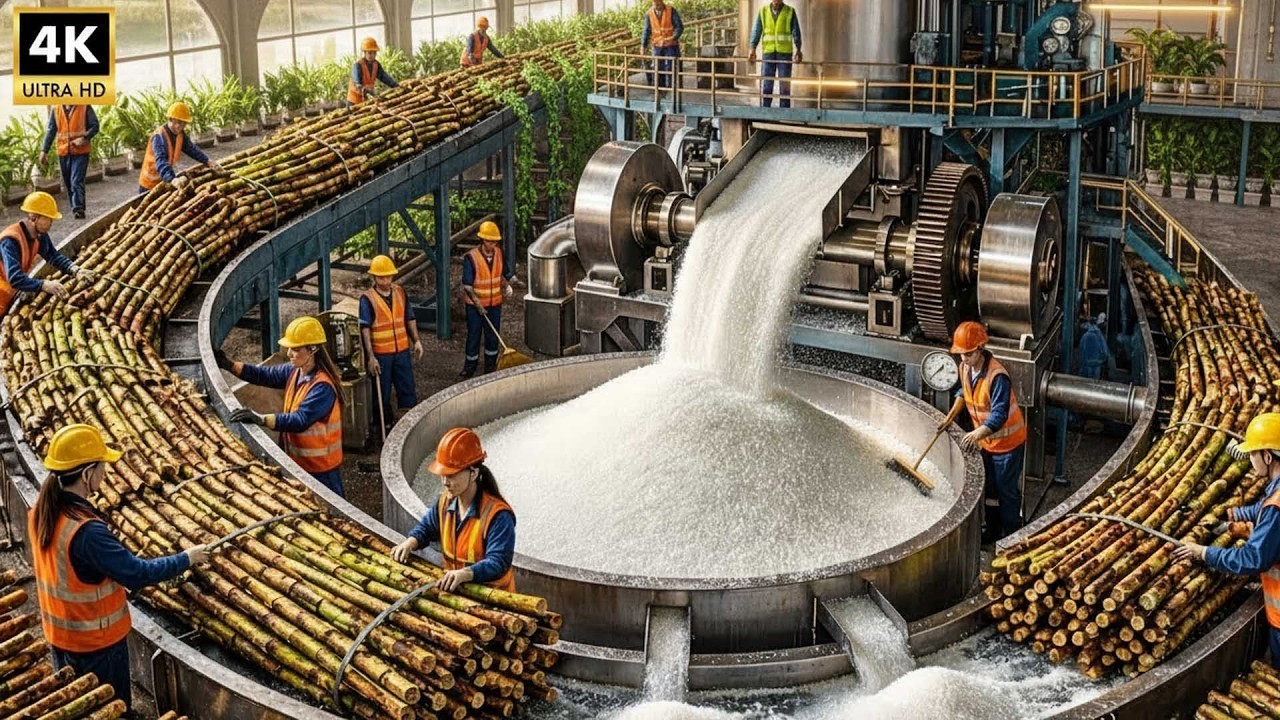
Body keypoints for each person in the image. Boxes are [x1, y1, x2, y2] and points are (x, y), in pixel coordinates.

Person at [29, 424, 208, 711]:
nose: (105, 473)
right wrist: (187, 558)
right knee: (110, 709)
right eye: (102, 467)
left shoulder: (41, 511)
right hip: (96, 647)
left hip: (60, 638)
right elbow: (138, 573)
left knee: (77, 707)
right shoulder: (86, 532)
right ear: (88, 474)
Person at [1174, 412, 1280, 669]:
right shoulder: (1275, 496)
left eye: (1252, 455)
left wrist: (1203, 553)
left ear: (1267, 456)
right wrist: (1229, 518)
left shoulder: (1276, 508)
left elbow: (1252, 558)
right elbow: (1262, 508)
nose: (1250, 461)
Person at [218, 316, 346, 496]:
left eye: (295, 349)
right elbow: (264, 375)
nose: (289, 354)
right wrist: (229, 365)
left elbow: (300, 420)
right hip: (299, 464)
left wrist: (261, 419)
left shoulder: (322, 387)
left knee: (334, 513)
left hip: (321, 469)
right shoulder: (295, 371)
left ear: (313, 349)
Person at [390, 427, 516, 591]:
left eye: (451, 475)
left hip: (494, 601)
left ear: (474, 473)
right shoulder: (445, 502)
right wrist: (410, 543)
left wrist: (466, 573)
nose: (444, 482)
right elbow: (428, 527)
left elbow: (498, 561)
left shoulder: (498, 515)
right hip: (457, 593)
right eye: (442, 475)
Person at [943, 321, 1027, 541]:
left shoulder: (997, 376)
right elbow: (964, 391)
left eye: (968, 354)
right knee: (990, 492)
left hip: (1008, 446)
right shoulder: (965, 367)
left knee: (1006, 492)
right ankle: (992, 531)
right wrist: (951, 415)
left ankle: (1011, 535)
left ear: (980, 349)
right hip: (988, 444)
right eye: (961, 354)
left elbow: (998, 416)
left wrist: (974, 435)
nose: (964, 358)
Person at [0, 192, 94, 320]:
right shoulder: (11, 240)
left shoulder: (39, 235)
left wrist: (75, 270)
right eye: (48, 218)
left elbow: (52, 255)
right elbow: (15, 278)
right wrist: (44, 285)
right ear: (34, 218)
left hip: (10, 293)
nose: (51, 222)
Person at [360, 255, 424, 437]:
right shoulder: (367, 299)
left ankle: (409, 427)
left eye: (388, 276)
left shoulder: (400, 292)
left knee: (407, 388)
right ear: (374, 277)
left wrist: (416, 340)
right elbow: (365, 328)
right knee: (382, 395)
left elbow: (409, 317)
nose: (385, 280)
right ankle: (384, 429)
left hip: (402, 351)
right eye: (381, 277)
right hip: (382, 355)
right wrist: (371, 357)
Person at [461, 221, 514, 378]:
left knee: (492, 335)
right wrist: (478, 304)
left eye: (494, 241)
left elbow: (502, 274)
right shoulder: (471, 258)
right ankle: (470, 366)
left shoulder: (499, 253)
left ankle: (490, 365)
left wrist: (507, 286)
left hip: (494, 304)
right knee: (474, 335)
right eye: (489, 241)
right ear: (482, 240)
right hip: (474, 306)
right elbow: (468, 285)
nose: (492, 244)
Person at [138, 101, 220, 193]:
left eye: (183, 123)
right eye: (177, 122)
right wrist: (172, 179)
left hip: (164, 181)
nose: (179, 126)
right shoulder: (159, 136)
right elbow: (161, 160)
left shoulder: (180, 134)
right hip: (149, 184)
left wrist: (207, 161)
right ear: (170, 119)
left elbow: (192, 149)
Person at [39, 104, 99, 219]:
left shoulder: (84, 106)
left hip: (80, 152)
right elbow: (51, 130)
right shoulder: (56, 109)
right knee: (68, 183)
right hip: (63, 152)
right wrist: (44, 151)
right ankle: (75, 207)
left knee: (76, 181)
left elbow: (95, 126)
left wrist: (84, 138)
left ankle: (78, 209)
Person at [747, 0, 803, 108]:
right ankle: (766, 109)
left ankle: (784, 111)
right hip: (768, 52)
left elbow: (796, 31)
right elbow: (757, 30)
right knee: (767, 82)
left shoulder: (790, 11)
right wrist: (752, 48)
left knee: (784, 83)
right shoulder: (763, 11)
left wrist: (798, 49)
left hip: (784, 52)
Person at [641, 0, 684, 89]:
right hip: (657, 45)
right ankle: (660, 89)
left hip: (671, 45)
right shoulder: (649, 13)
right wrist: (643, 46)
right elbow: (646, 30)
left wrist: (674, 37)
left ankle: (674, 88)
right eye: (655, 3)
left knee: (672, 67)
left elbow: (679, 26)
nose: (656, 5)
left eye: (658, 3)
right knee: (658, 68)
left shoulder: (671, 11)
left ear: (662, 2)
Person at [349, 37, 399, 106]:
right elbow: (357, 82)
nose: (372, 55)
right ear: (364, 52)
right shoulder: (358, 65)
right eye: (370, 53)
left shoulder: (376, 65)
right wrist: (362, 88)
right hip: (354, 100)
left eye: (374, 53)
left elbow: (384, 77)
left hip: (367, 99)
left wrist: (396, 86)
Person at [1077, 312, 1113, 381]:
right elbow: (1105, 352)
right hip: (1095, 367)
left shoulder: (1085, 335)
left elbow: (1081, 350)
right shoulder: (1099, 336)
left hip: (1084, 367)